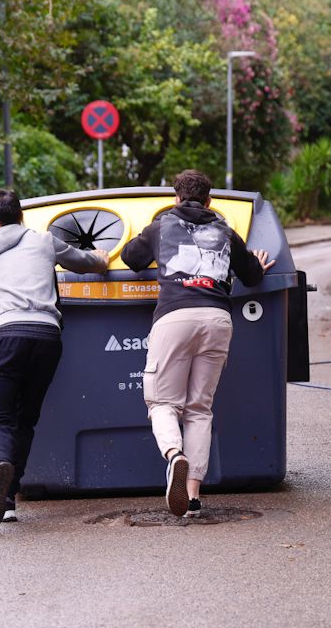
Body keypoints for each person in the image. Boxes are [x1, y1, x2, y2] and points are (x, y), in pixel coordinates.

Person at [120, 169, 274, 517]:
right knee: (200, 408)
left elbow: (130, 258)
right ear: (209, 200)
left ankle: (175, 456)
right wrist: (259, 265)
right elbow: (251, 273)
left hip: (175, 316)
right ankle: (192, 496)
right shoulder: (224, 229)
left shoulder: (163, 225)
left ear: (176, 198)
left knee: (162, 402)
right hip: (218, 319)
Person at [0, 188, 108, 527]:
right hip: (47, 336)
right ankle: (8, 497)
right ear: (21, 215)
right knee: (25, 418)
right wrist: (102, 258)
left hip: (7, 333)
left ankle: (0, 467)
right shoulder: (44, 240)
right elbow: (85, 261)